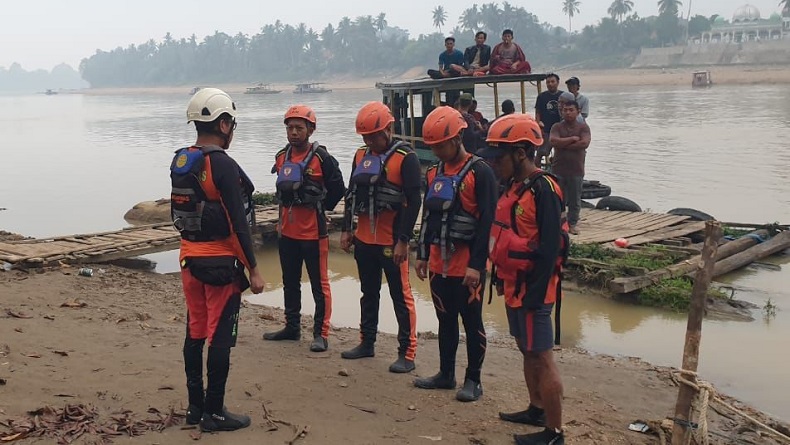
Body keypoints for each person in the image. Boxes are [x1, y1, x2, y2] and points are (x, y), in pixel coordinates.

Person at [170, 88, 265, 432]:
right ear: (223, 124)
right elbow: (238, 222)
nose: (232, 131)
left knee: (196, 331)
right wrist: (253, 269)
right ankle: (216, 413)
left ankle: (195, 408)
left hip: (188, 260)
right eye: (232, 124)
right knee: (220, 337)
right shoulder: (221, 163)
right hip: (221, 266)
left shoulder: (183, 159)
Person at [476, 114, 568, 445]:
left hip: (535, 290)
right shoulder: (514, 187)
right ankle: (536, 408)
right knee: (526, 349)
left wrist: (536, 294)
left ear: (521, 153)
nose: (494, 163)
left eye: (499, 157)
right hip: (515, 285)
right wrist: (501, 277)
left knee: (542, 356)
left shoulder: (544, 189)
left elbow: (548, 249)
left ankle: (555, 433)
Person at [413, 107, 497, 402]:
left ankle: (473, 380)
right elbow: (429, 216)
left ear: (458, 136)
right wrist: (421, 252)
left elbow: (488, 221)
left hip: (467, 266)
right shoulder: (434, 172)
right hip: (438, 263)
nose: (436, 151)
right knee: (445, 320)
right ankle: (445, 374)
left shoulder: (481, 171)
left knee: (472, 323)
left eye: (441, 145)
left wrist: (477, 265)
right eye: (432, 146)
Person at [340, 101, 422, 373]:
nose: (370, 141)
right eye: (365, 137)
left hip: (391, 242)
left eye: (374, 135)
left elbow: (413, 202)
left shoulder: (406, 158)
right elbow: (351, 194)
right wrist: (347, 228)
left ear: (388, 128)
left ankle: (407, 353)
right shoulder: (360, 155)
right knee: (368, 292)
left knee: (401, 296)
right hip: (364, 240)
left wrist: (403, 240)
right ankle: (367, 342)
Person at [263, 105, 346, 351]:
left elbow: (338, 188)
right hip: (287, 232)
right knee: (290, 280)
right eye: (290, 128)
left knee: (320, 284)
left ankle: (321, 334)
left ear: (311, 129)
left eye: (299, 128)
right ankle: (292, 327)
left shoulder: (322, 158)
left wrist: (322, 208)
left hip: (313, 232)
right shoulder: (281, 157)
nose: (294, 132)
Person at [550, 100, 590, 235]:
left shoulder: (583, 127)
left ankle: (572, 224)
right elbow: (553, 141)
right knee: (557, 199)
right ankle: (558, 224)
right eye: (565, 110)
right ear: (561, 111)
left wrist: (563, 145)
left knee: (575, 199)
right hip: (558, 169)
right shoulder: (556, 127)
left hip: (576, 169)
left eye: (571, 110)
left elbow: (584, 143)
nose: (568, 112)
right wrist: (572, 139)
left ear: (578, 111)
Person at [534, 74, 563, 168]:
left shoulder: (563, 96)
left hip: (560, 130)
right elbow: (537, 112)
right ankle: (535, 172)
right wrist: (538, 123)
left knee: (560, 153)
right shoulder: (542, 96)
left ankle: (556, 170)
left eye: (552, 82)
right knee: (541, 152)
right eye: (548, 82)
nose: (550, 84)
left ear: (557, 82)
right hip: (546, 129)